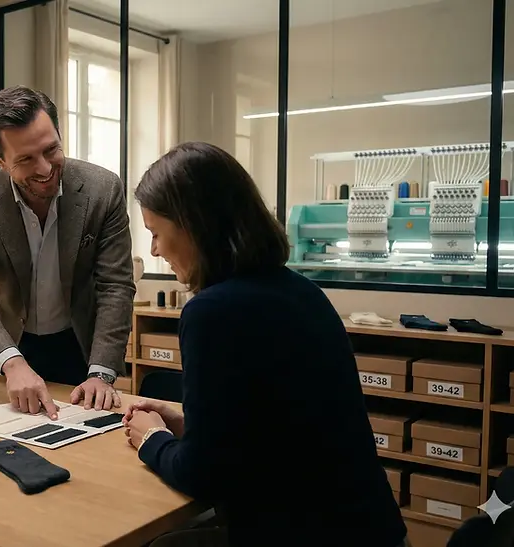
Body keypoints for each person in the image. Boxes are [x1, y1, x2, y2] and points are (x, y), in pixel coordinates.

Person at [122, 142, 409, 547]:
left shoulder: (210, 312)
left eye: (156, 233)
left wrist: (152, 440)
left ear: (192, 226)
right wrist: (189, 427)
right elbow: (277, 434)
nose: (154, 250)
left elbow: (202, 476)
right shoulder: (303, 292)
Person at [0, 86, 135, 419]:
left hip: (79, 350)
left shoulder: (103, 190)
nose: (46, 168)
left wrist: (102, 372)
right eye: (25, 159)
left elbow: (115, 286)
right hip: (6, 351)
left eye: (51, 150)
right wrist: (12, 362)